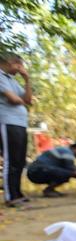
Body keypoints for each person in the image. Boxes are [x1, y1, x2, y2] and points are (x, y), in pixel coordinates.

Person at [0, 53, 31, 207]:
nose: (21, 69)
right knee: (10, 160)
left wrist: (27, 80)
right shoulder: (0, 76)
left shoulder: (12, 80)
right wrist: (21, 101)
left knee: (19, 160)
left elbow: (28, 99)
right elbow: (13, 100)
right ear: (12, 62)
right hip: (7, 122)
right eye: (20, 66)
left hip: (21, 123)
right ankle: (10, 196)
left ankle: (17, 192)